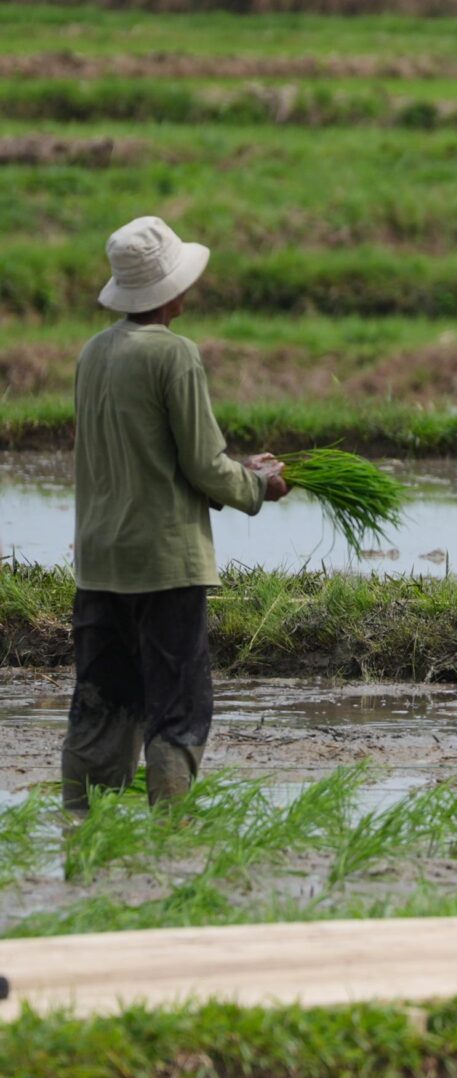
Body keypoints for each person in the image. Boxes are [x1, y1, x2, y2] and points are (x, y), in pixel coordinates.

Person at [64, 216, 288, 810]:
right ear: (170, 290)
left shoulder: (94, 353)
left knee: (102, 707)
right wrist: (259, 484)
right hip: (165, 564)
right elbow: (200, 464)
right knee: (177, 710)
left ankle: (83, 836)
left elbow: (148, 458)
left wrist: (234, 470)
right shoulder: (175, 355)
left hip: (99, 563)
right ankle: (170, 842)